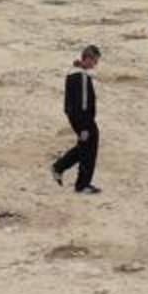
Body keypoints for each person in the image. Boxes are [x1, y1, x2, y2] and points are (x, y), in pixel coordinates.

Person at [51, 45, 102, 194]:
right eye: (94, 61)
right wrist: (84, 127)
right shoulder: (82, 77)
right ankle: (81, 184)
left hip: (75, 117)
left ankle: (59, 168)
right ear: (87, 59)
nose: (95, 65)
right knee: (89, 148)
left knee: (84, 147)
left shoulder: (74, 73)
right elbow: (84, 104)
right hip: (83, 119)